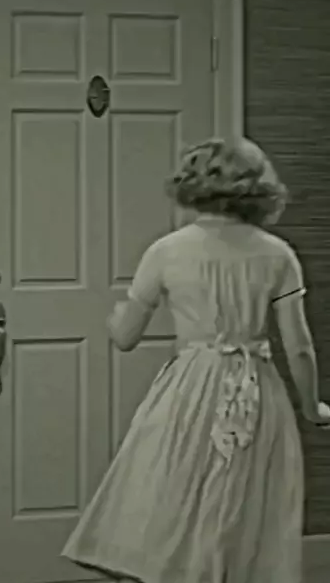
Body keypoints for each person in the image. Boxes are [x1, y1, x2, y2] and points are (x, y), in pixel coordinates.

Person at [61, 137, 330, 583]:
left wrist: (115, 319)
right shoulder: (278, 254)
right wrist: (311, 407)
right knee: (246, 498)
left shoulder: (166, 250)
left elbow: (125, 337)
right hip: (257, 390)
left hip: (189, 389)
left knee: (173, 489)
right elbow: (299, 346)